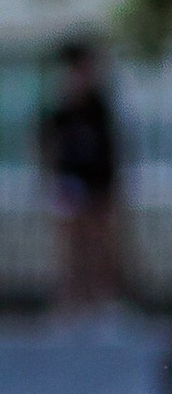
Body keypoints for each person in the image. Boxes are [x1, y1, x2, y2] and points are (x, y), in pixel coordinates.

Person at [37, 40, 118, 316]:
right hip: (69, 182)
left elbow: (110, 147)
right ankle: (69, 301)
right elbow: (48, 144)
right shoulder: (59, 105)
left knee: (98, 241)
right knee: (70, 244)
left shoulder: (99, 105)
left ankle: (100, 300)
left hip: (97, 182)